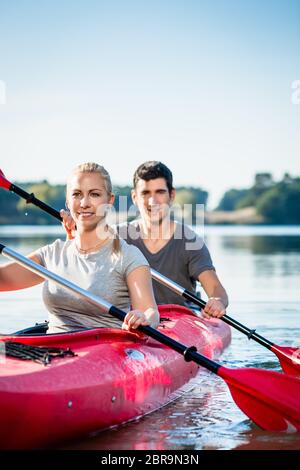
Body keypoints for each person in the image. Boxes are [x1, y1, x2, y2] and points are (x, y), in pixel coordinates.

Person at [0, 162, 160, 333]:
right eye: (77, 194)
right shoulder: (53, 254)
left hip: (104, 352)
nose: (84, 203)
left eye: (94, 194)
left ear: (110, 200)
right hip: (51, 354)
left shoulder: (128, 256)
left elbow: (150, 312)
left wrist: (143, 318)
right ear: (68, 201)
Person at [62, 161, 228, 319]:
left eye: (160, 192)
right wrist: (76, 233)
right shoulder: (116, 236)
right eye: (145, 193)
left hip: (180, 322)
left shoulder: (190, 241)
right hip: (134, 319)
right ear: (134, 197)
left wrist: (217, 301)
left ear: (172, 195)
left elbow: (215, 288)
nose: (152, 201)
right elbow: (84, 265)